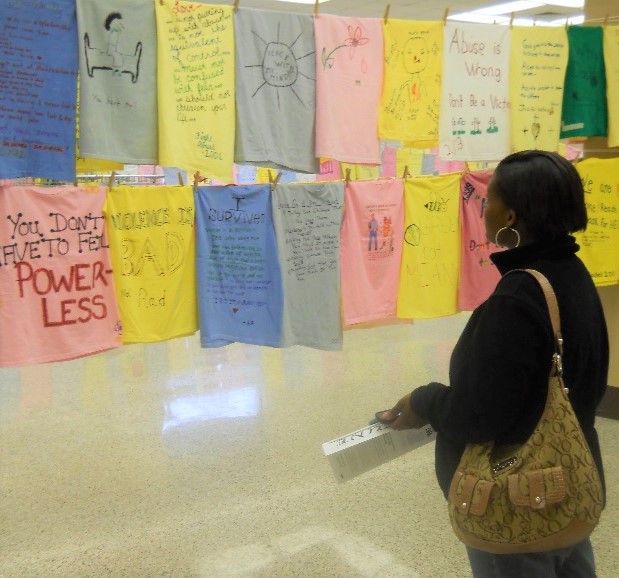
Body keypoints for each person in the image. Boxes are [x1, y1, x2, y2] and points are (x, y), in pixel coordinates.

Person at [377, 150, 608, 578]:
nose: (484, 209)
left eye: (490, 200)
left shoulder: (517, 300)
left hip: (519, 501)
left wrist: (425, 400)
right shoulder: (571, 273)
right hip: (569, 486)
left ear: (512, 216)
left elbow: (478, 417)